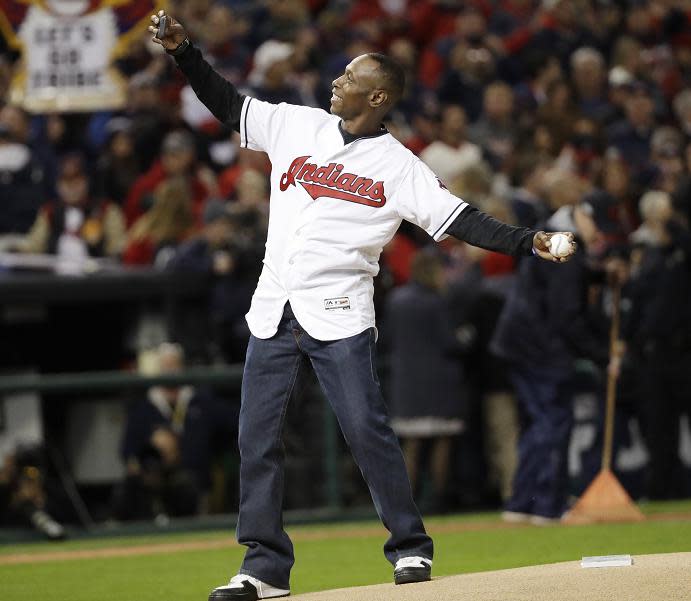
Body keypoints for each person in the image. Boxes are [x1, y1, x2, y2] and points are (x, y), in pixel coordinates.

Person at [149, 10, 576, 601]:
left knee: (366, 432)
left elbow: (462, 221)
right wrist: (185, 53)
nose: (336, 81)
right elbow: (227, 103)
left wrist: (530, 241)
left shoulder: (399, 165)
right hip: (275, 306)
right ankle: (263, 567)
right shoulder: (298, 125)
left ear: (376, 95)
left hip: (340, 309)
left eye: (349, 76)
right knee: (256, 438)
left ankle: (409, 549)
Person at [491, 192, 619, 524]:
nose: (599, 236)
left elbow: (558, 289)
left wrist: (599, 277)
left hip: (522, 343)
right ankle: (549, 505)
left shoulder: (552, 231)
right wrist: (604, 357)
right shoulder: (566, 248)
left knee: (540, 423)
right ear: (584, 215)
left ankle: (522, 502)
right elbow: (567, 316)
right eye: (598, 227)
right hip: (541, 348)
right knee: (553, 422)